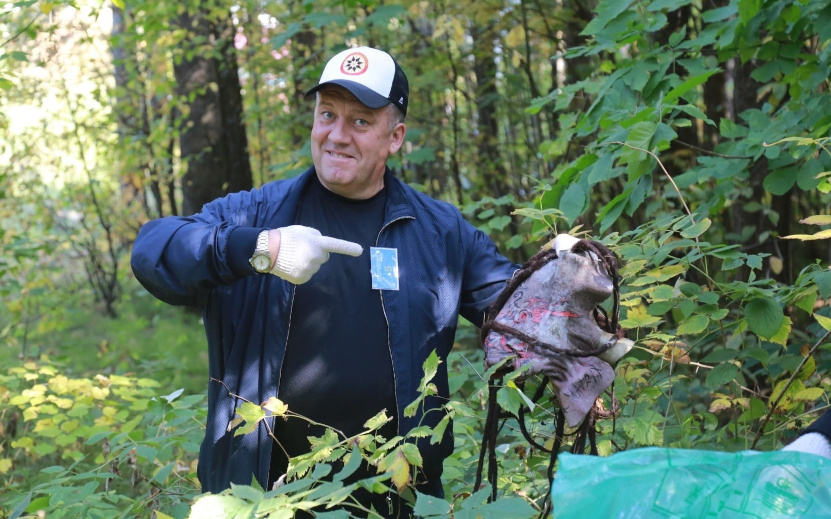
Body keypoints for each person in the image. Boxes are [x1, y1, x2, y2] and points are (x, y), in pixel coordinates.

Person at [131, 46, 518, 517]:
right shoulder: (257, 213)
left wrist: (563, 283)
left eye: (359, 121)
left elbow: (514, 305)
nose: (336, 135)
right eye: (327, 114)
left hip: (398, 498)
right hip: (266, 498)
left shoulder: (440, 232)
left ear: (395, 137)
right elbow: (154, 250)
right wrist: (261, 249)